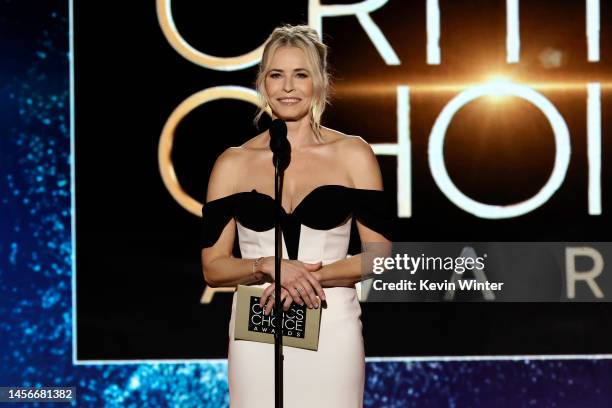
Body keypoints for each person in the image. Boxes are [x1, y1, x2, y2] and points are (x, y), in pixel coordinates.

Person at [201, 24, 392, 408]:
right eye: (277, 75)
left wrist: (306, 276)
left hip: (331, 325)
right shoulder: (232, 163)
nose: (288, 86)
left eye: (300, 74)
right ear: (262, 82)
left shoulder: (353, 154)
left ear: (319, 82)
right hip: (256, 331)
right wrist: (267, 265)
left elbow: (379, 257)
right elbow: (213, 268)